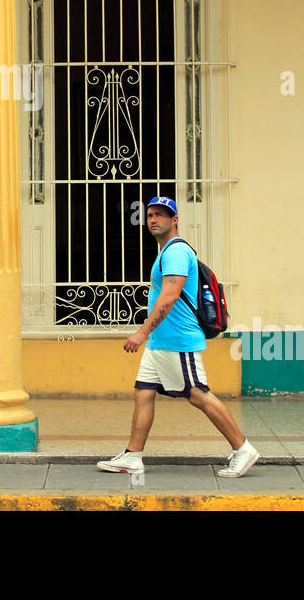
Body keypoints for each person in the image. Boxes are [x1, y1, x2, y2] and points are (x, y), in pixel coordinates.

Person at [97, 195, 259, 478]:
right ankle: (133, 456)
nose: (153, 220)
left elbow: (170, 295)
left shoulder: (175, 252)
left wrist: (143, 331)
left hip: (177, 340)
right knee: (144, 392)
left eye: (161, 215)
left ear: (175, 220)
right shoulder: (166, 251)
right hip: (162, 341)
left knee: (198, 394)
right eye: (150, 215)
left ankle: (243, 448)